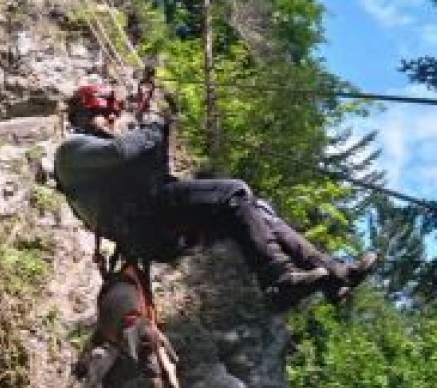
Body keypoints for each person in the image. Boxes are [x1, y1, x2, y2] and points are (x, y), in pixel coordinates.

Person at [55, 92, 377, 312]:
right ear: (81, 115)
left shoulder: (105, 163)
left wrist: (155, 136)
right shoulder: (71, 150)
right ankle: (278, 279)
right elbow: (122, 150)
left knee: (255, 209)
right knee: (232, 191)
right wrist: (154, 126)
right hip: (141, 219)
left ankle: (334, 274)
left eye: (113, 115)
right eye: (103, 114)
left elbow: (142, 164)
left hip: (152, 221)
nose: (111, 120)